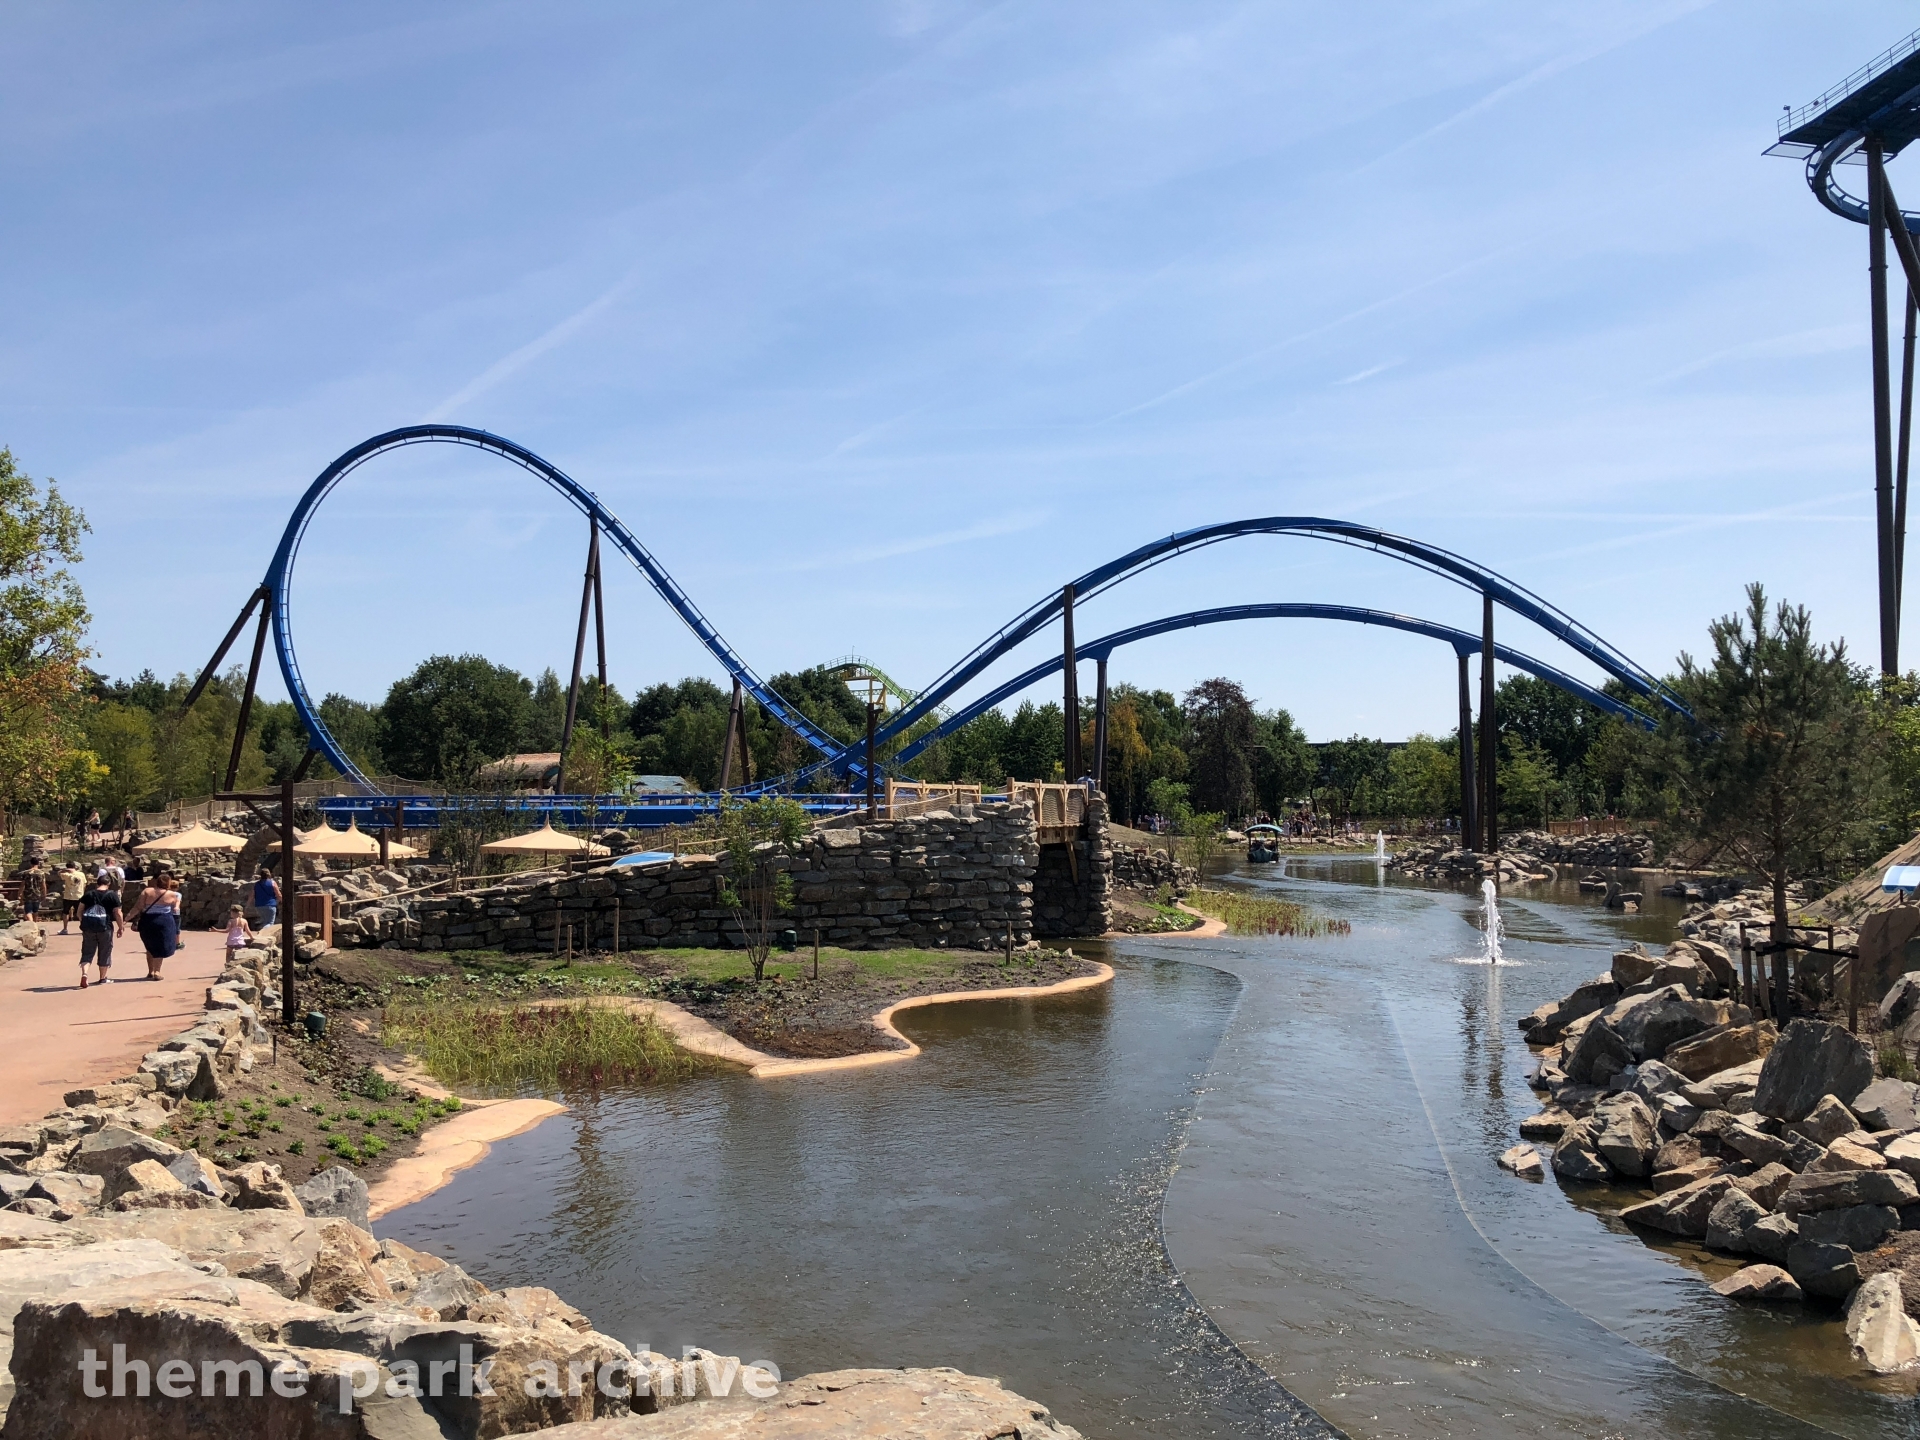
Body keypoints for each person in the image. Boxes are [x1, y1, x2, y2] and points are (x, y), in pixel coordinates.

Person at [127, 870, 182, 980]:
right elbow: (175, 909)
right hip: (164, 921)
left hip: (148, 921)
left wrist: (126, 919)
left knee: (149, 946)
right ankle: (157, 971)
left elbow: (138, 907)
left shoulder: (147, 891)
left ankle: (150, 971)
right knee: (160, 946)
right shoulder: (172, 894)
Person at [77, 870, 124, 988]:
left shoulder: (88, 894)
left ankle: (85, 974)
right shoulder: (112, 895)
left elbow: (79, 911)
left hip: (89, 928)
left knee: (87, 952)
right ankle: (103, 978)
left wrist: (83, 922)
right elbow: (118, 913)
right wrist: (121, 927)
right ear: (108, 884)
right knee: (105, 951)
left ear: (97, 883)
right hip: (105, 927)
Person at [57, 860, 85, 936]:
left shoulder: (66, 874)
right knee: (80, 913)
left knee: (65, 912)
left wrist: (64, 870)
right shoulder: (81, 874)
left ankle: (65, 929)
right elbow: (84, 884)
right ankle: (84, 929)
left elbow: (58, 873)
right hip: (79, 895)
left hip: (68, 896)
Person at [18, 862, 46, 931]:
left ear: (30, 864)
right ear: (38, 864)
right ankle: (35, 925)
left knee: (28, 911)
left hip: (28, 894)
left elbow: (22, 884)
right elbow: (43, 885)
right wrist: (44, 894)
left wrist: (20, 893)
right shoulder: (41, 873)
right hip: (37, 894)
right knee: (35, 911)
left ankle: (31, 925)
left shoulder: (26, 873)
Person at [251, 866, 281, 930]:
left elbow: (252, 895)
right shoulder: (272, 883)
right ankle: (263, 932)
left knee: (265, 922)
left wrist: (247, 905)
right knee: (270, 923)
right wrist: (281, 901)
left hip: (259, 906)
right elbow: (278, 894)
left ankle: (262, 931)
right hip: (270, 905)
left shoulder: (257, 884)